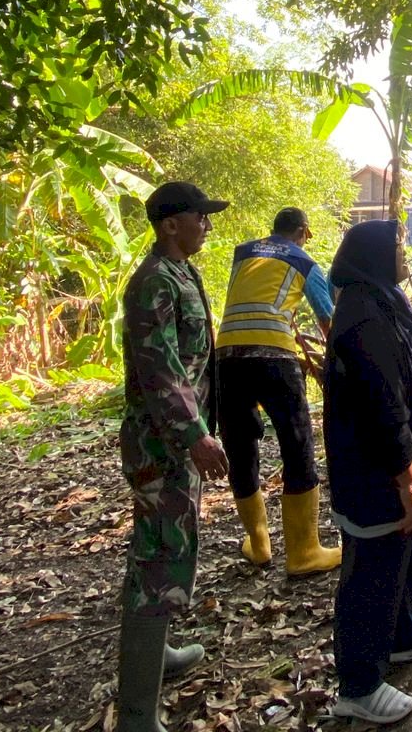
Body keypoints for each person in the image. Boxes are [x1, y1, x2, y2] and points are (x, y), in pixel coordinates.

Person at [323, 220, 412, 725]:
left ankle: (403, 635)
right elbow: (382, 404)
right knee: (373, 569)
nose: (405, 253)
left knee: (405, 550)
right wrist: (408, 477)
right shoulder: (362, 317)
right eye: (397, 246)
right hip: (376, 471)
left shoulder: (382, 300)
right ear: (374, 256)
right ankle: (358, 684)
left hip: (400, 463)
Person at [114, 181, 232, 732]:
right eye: (198, 217)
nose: (206, 225)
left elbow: (198, 361)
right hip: (161, 444)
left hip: (177, 442)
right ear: (169, 225)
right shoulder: (153, 282)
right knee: (158, 557)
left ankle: (156, 652)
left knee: (165, 549)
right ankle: (137, 713)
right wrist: (196, 436)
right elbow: (160, 368)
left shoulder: (183, 273)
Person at [216, 207, 341, 575]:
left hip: (226, 356)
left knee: (240, 447)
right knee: (297, 445)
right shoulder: (305, 262)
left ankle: (258, 545)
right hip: (274, 356)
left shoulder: (243, 253)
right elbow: (327, 320)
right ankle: (304, 553)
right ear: (302, 232)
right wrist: (340, 361)